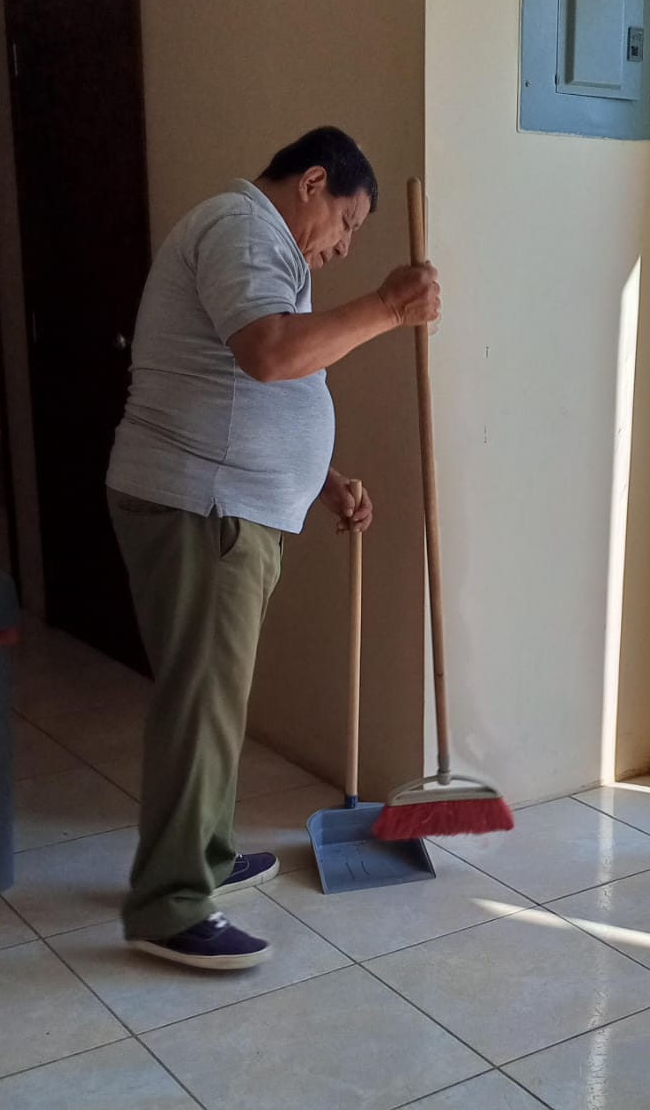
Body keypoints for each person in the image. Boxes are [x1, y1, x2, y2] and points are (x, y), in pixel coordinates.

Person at [105, 127, 440, 970]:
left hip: (221, 503)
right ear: (313, 183)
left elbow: (258, 379)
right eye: (348, 222)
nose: (345, 245)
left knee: (215, 698)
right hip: (202, 505)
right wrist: (388, 308)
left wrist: (319, 475)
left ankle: (205, 857)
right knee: (201, 703)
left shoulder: (261, 243)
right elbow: (268, 354)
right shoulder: (241, 228)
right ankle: (170, 904)